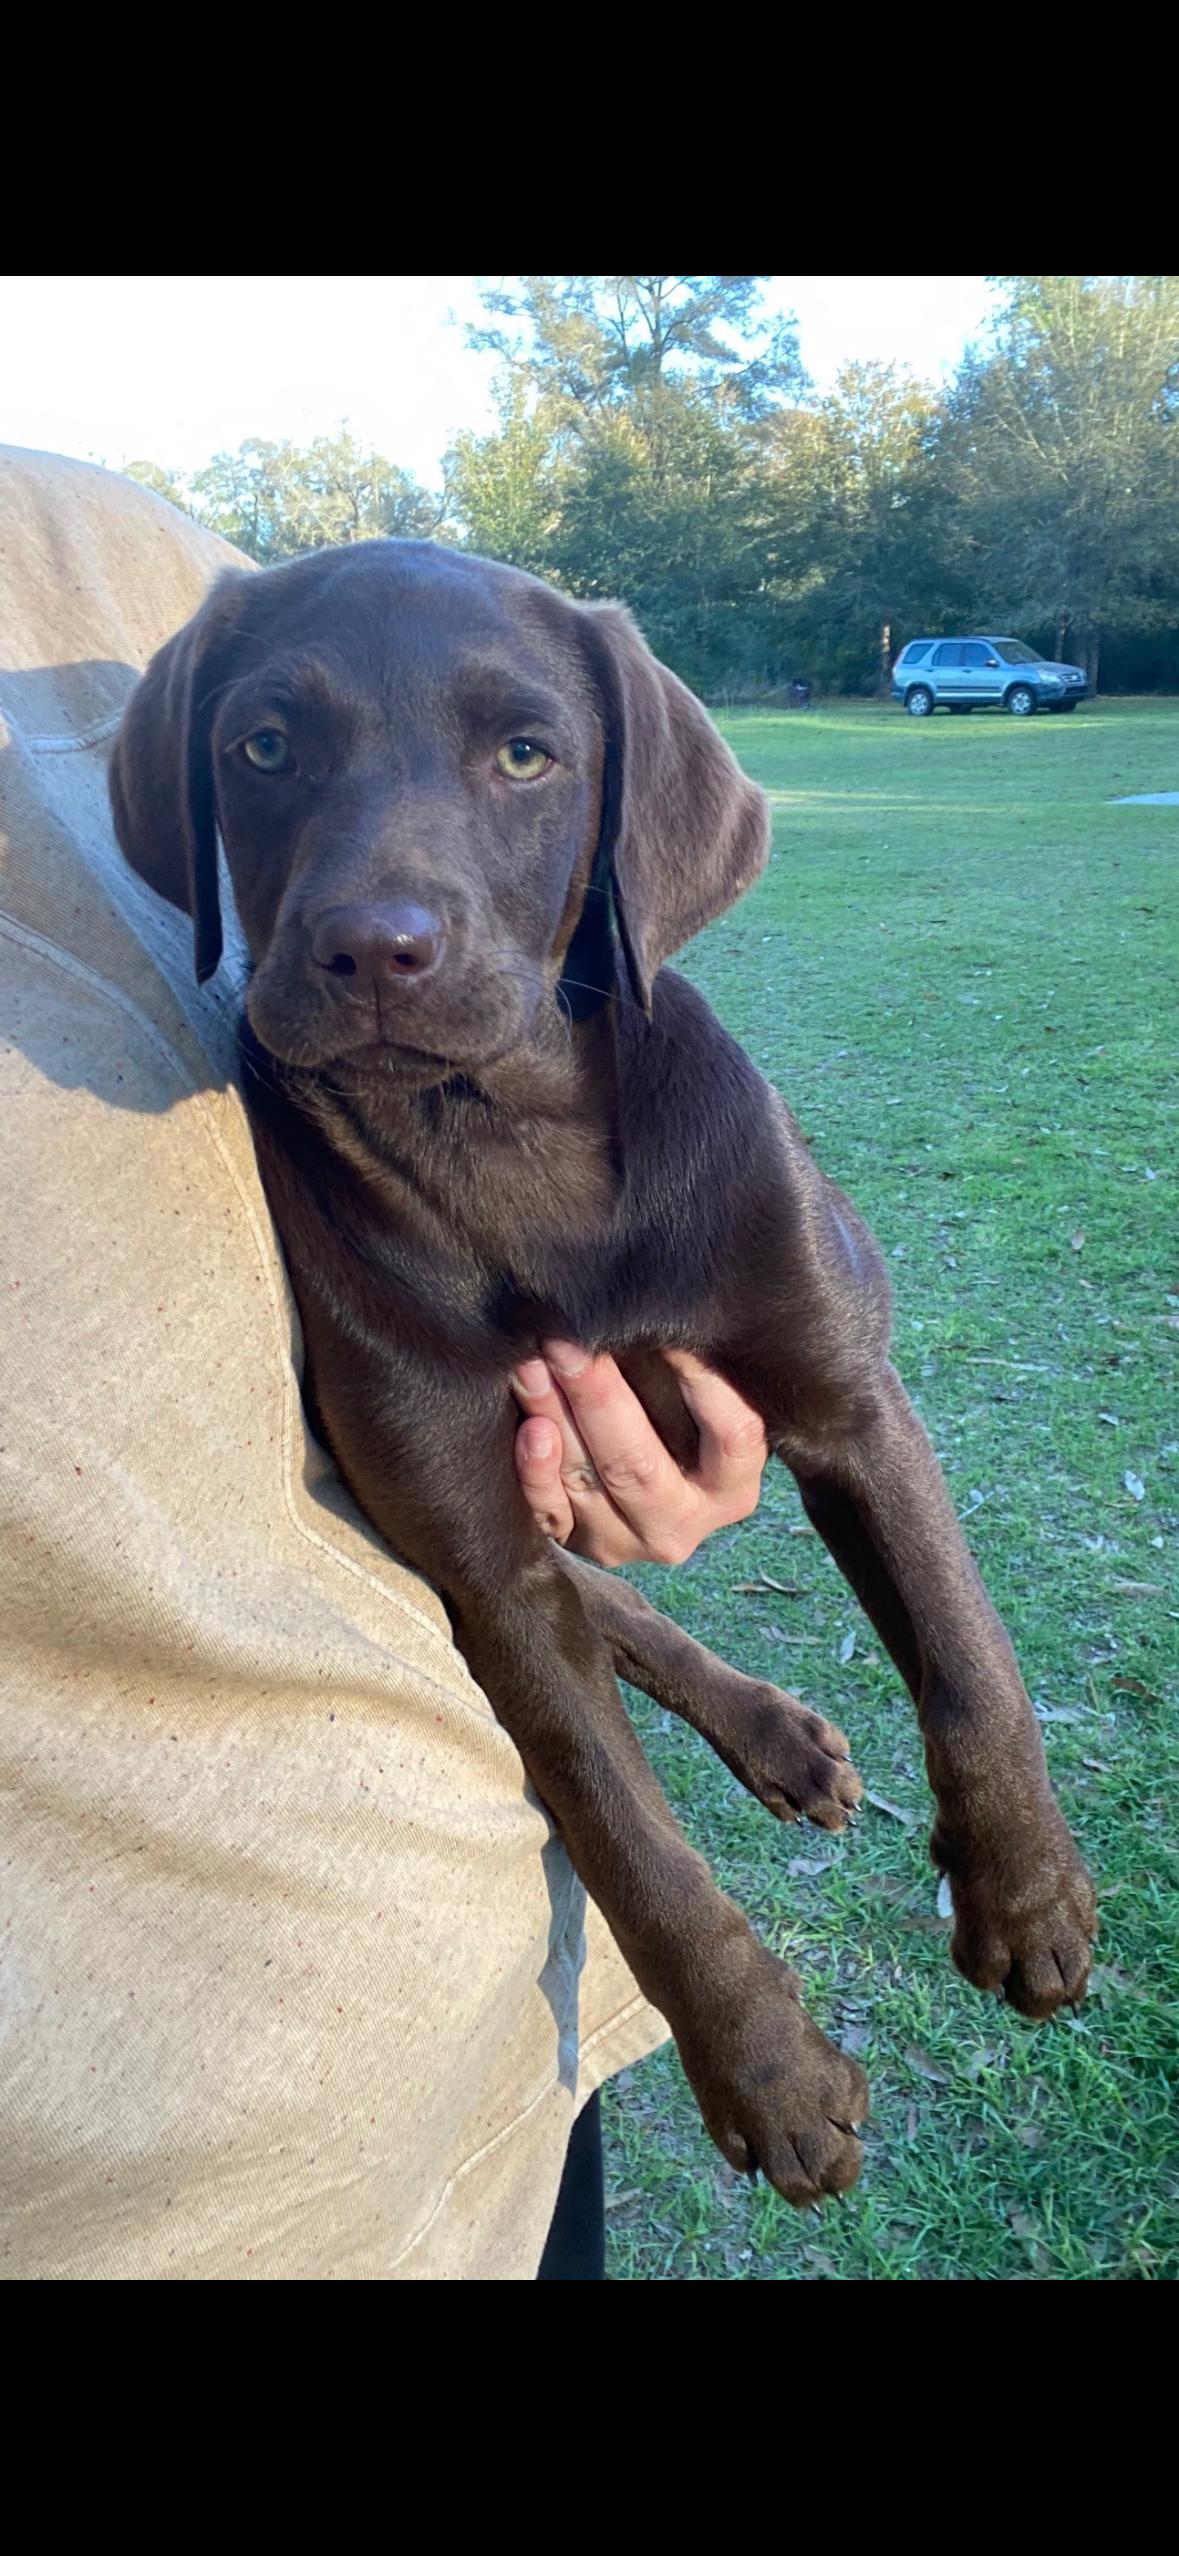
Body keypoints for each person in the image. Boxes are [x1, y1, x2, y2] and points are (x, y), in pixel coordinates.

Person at [0, 446, 770, 2281]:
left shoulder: (91, 549)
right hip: (134, 2186)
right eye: (273, 762)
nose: (367, 890)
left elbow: (443, 716)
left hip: (478, 1980)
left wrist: (665, 1407)